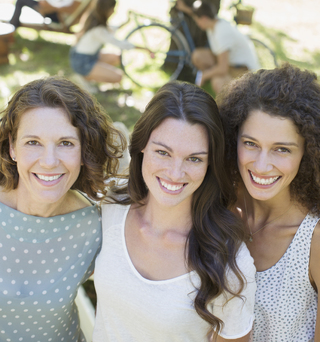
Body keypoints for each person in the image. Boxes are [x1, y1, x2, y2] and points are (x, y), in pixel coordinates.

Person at [93, 81, 256, 342]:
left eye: (194, 158)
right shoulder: (110, 204)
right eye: (163, 152)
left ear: (209, 164)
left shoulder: (227, 261)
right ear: (142, 145)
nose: (175, 173)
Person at [0, 75, 124, 342]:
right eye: (33, 142)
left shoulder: (95, 227)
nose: (49, 161)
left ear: (84, 151)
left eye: (66, 143)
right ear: (12, 147)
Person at [217, 63, 320, 342]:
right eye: (250, 143)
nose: (262, 165)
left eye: (282, 149)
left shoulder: (314, 239)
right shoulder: (218, 208)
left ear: (308, 154)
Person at [175, 0, 260, 94]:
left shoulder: (221, 33)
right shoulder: (213, 22)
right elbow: (195, 14)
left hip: (244, 70)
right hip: (231, 63)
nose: (197, 23)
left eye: (197, 20)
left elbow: (222, 68)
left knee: (217, 81)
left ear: (204, 19)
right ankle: (221, 81)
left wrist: (204, 75)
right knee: (198, 56)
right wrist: (184, 8)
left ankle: (228, 101)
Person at [70, 0, 153, 86]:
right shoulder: (98, 30)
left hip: (87, 56)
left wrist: (125, 23)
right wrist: (144, 49)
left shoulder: (94, 20)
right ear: (106, 10)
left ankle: (92, 74)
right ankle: (84, 77)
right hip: (83, 62)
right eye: (113, 9)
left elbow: (109, 30)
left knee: (118, 58)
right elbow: (119, 43)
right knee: (119, 77)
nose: (114, 12)